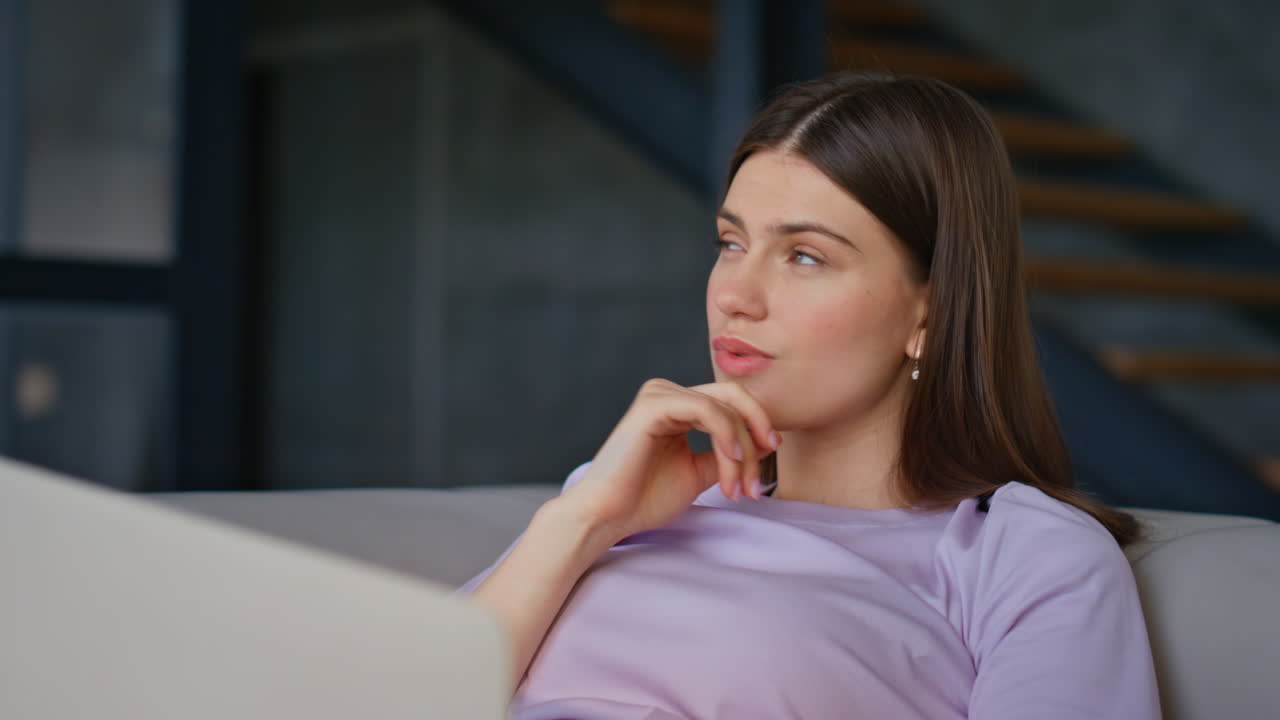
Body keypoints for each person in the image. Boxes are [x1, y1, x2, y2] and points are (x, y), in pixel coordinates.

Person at [456, 70, 1161, 719]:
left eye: (804, 256)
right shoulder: (618, 501)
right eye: (731, 243)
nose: (734, 295)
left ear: (931, 315)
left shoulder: (1020, 557)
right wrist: (579, 522)